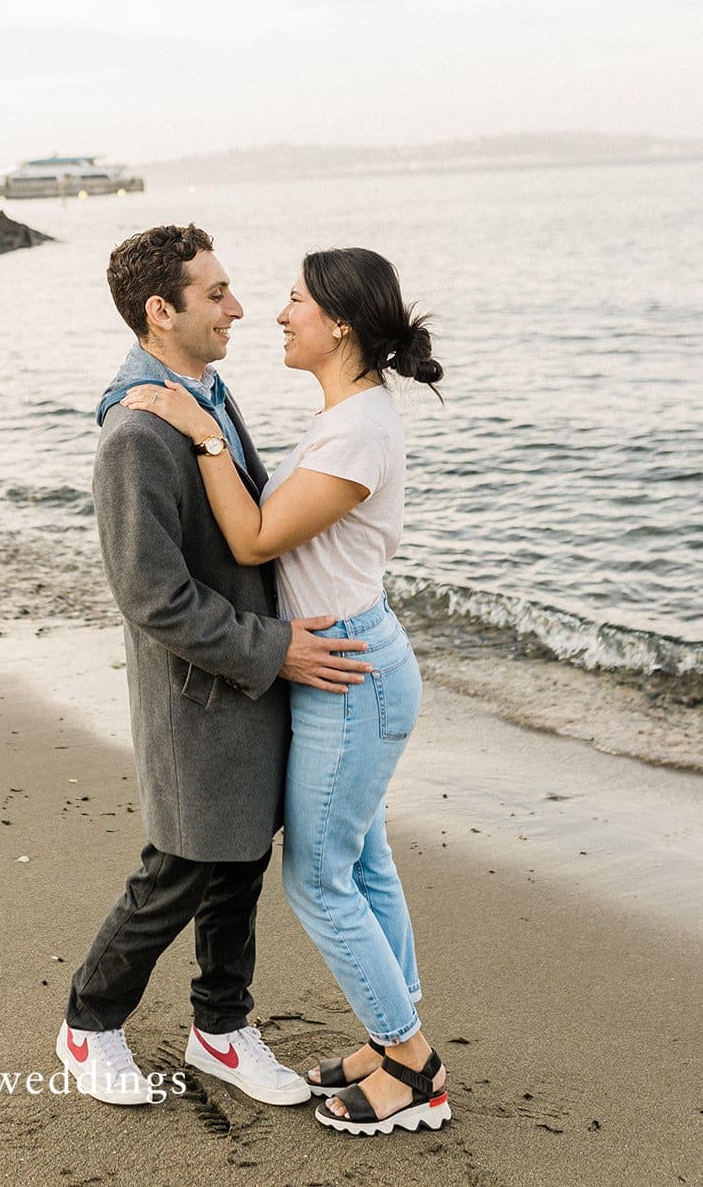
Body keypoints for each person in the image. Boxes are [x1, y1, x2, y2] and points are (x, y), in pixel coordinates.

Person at [124, 246, 450, 1138]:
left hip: (347, 668)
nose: (276, 313)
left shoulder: (357, 430)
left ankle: (411, 1065)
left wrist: (198, 433)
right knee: (363, 863)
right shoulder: (346, 412)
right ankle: (396, 1043)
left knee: (317, 880)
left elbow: (260, 536)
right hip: (340, 658)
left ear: (340, 322)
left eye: (295, 300)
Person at [56, 224, 373, 1107]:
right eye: (216, 293)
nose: (239, 308)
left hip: (245, 684)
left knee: (236, 863)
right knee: (182, 866)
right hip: (199, 693)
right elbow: (150, 596)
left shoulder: (204, 389)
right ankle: (88, 1024)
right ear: (161, 312)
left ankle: (221, 1031)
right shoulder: (135, 431)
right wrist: (277, 649)